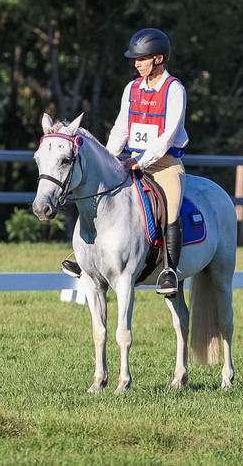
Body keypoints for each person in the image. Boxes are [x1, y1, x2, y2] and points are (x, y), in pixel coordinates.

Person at [62, 28, 188, 297]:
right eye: (135, 59)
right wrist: (107, 160)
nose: (136, 64)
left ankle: (170, 271)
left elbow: (168, 136)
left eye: (141, 59)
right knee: (96, 195)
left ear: (158, 58)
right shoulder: (131, 89)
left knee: (171, 208)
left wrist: (140, 160)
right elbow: (121, 128)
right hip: (130, 161)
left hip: (164, 164)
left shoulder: (174, 89)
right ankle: (85, 256)